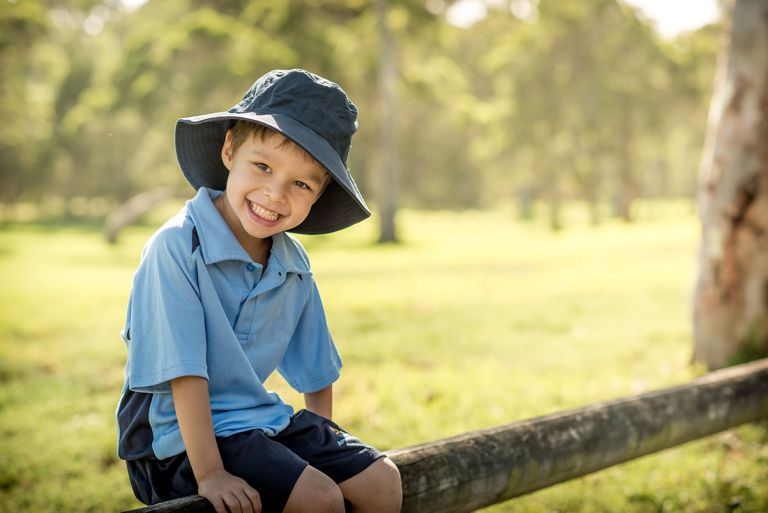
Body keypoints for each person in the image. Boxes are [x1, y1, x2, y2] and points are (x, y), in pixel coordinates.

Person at [116, 69, 402, 513]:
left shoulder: (293, 263)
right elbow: (184, 373)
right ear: (230, 149)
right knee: (319, 500)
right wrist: (211, 474)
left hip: (256, 419)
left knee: (383, 484)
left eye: (301, 184)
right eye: (263, 166)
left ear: (319, 195)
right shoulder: (177, 247)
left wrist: (318, 453)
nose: (275, 194)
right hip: (173, 439)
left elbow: (316, 369)